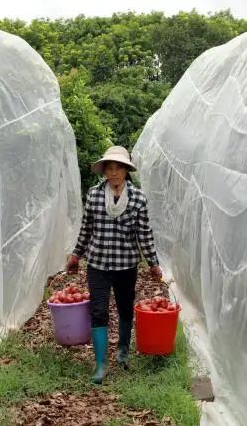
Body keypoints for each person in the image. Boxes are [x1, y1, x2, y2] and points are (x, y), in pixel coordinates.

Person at [66, 145, 162, 384]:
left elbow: (144, 234)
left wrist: (153, 264)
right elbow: (86, 229)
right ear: (104, 171)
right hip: (97, 263)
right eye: (109, 168)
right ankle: (100, 364)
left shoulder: (137, 198)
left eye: (118, 168)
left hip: (126, 265)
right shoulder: (94, 195)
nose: (113, 173)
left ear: (126, 171)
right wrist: (76, 255)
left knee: (125, 308)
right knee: (98, 310)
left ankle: (122, 350)